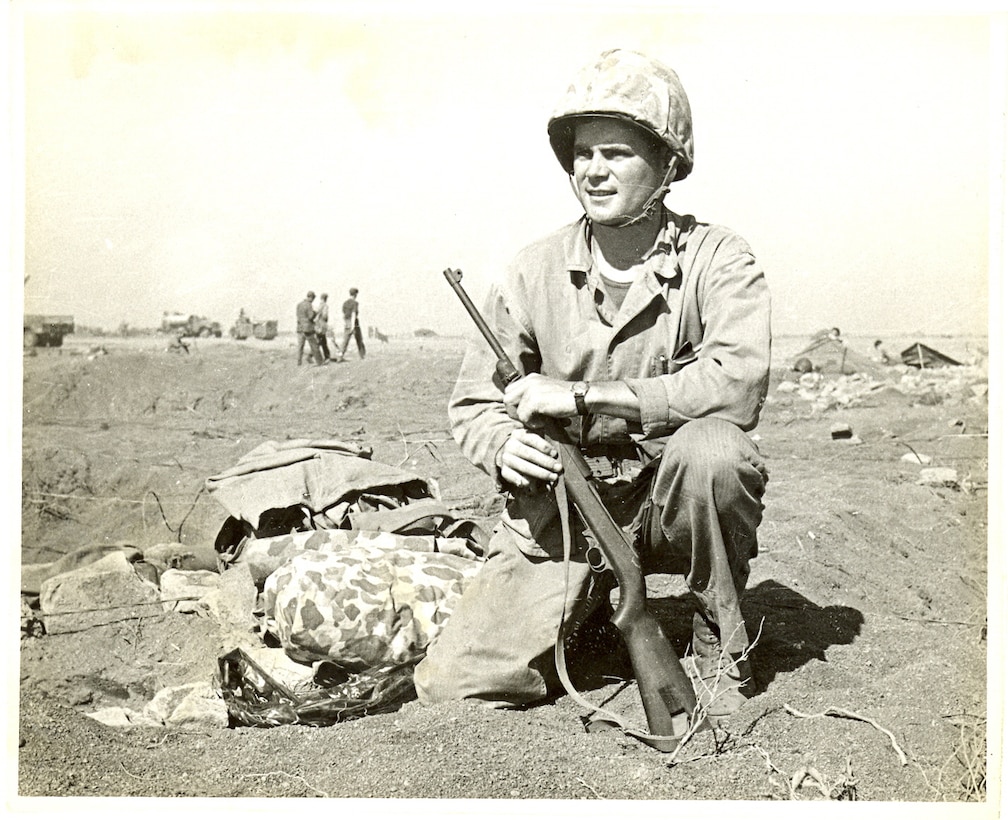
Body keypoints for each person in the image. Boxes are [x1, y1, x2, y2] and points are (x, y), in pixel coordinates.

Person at [414, 49, 771, 727]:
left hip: (673, 498)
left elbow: (738, 384)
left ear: (668, 164)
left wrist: (582, 398)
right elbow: (474, 402)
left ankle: (711, 627)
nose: (592, 170)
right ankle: (594, 619)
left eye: (617, 152)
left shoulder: (719, 258)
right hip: (565, 502)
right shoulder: (530, 270)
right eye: (581, 153)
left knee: (716, 453)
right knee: (457, 684)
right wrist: (500, 446)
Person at [337, 287, 366, 361]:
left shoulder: (345, 303)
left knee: (345, 340)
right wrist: (353, 326)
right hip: (354, 323)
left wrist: (346, 323)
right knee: (359, 340)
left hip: (347, 322)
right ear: (355, 294)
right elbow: (353, 314)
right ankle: (362, 355)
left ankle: (340, 355)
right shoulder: (355, 303)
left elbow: (343, 314)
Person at [295, 290, 323, 366]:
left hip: (300, 328)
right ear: (311, 297)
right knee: (314, 345)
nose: (313, 300)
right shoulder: (309, 305)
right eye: (313, 298)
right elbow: (310, 316)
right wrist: (315, 312)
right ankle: (319, 362)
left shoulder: (299, 305)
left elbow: (298, 316)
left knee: (300, 346)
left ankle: (299, 362)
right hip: (308, 329)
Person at [315, 293, 332, 362]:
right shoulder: (325, 306)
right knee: (321, 341)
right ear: (325, 298)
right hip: (322, 325)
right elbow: (325, 316)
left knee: (321, 341)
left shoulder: (318, 306)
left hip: (318, 325)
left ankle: (326, 356)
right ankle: (326, 356)